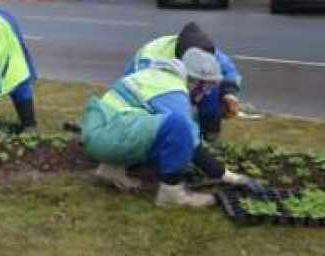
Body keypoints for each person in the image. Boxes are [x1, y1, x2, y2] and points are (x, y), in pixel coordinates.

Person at [82, 49, 258, 208]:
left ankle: (111, 170)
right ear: (193, 80)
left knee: (156, 127)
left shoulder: (157, 76)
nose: (206, 93)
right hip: (111, 137)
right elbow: (190, 140)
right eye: (206, 86)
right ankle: (171, 195)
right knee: (179, 127)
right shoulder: (173, 91)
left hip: (99, 130)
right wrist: (226, 175)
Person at [126, 22, 242, 142]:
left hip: (178, 80)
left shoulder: (205, 50)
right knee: (175, 121)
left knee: (212, 90)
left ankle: (210, 132)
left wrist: (230, 93)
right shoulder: (151, 60)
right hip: (147, 91)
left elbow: (228, 70)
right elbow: (152, 98)